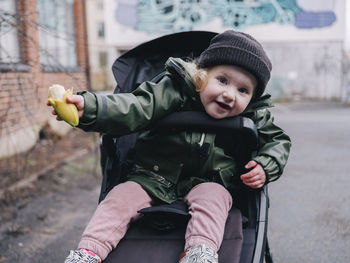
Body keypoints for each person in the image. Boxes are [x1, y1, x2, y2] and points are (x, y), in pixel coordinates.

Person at [50, 30, 291, 263]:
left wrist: (265, 164)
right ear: (202, 74)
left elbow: (277, 141)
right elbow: (135, 106)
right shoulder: (175, 90)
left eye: (243, 90)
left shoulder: (253, 114)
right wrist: (90, 107)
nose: (229, 95)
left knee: (215, 199)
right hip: (151, 176)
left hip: (209, 180)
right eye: (222, 80)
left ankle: (199, 252)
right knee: (119, 198)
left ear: (253, 97)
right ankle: (88, 253)